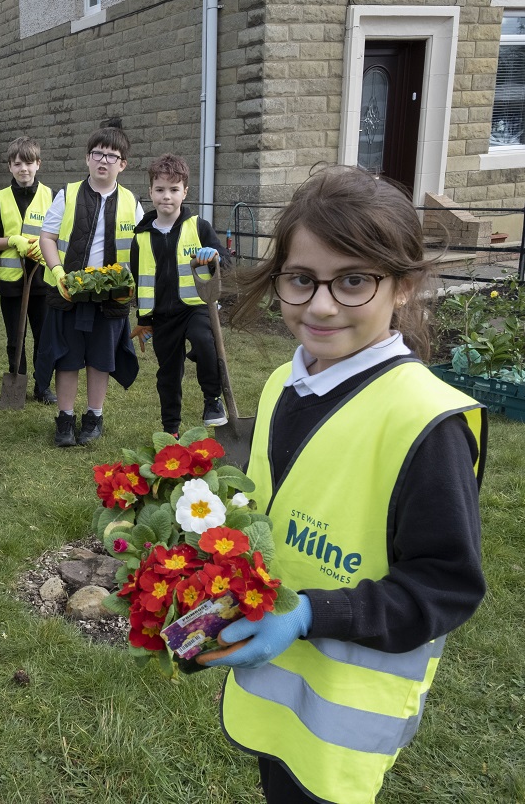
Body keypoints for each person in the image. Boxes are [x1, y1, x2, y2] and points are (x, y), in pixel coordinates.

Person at [196, 166, 487, 804]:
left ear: (404, 287)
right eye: (302, 279)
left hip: (345, 720)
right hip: (277, 689)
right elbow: (272, 508)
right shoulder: (283, 383)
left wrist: (308, 613)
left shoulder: (423, 423)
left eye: (353, 280)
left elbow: (445, 588)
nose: (321, 304)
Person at [38, 119, 143, 447]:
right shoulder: (67, 195)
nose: (103, 160)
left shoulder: (132, 202)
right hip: (70, 294)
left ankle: (94, 416)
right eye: (97, 153)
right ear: (87, 159)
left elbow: (143, 249)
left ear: (122, 165)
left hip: (110, 298)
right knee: (68, 358)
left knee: (101, 359)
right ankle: (65, 419)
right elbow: (47, 237)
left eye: (111, 156)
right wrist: (58, 273)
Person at [128, 153, 227, 436]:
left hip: (197, 307)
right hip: (163, 316)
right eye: (160, 190)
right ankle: (170, 428)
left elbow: (226, 263)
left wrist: (215, 256)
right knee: (168, 373)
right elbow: (141, 280)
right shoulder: (142, 237)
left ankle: (212, 401)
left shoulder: (199, 227)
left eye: (173, 190)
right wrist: (144, 319)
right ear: (150, 192)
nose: (166, 197)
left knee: (203, 340)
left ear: (185, 192)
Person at [0, 136, 55, 404]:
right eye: (17, 164)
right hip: (12, 283)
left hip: (42, 281)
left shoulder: (51, 196)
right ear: (10, 166)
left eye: (29, 163)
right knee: (16, 338)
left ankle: (42, 386)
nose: (23, 169)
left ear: (38, 164)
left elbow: (61, 235)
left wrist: (45, 244)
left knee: (43, 337)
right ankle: (17, 383)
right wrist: (11, 242)